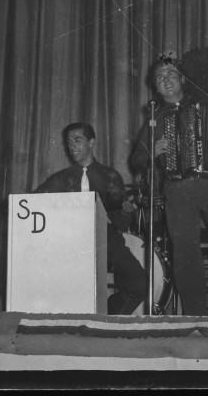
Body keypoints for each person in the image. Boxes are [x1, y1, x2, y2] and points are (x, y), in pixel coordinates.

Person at [129, 58, 208, 317]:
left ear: (183, 79)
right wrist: (152, 151)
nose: (166, 78)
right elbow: (136, 160)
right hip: (178, 190)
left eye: (171, 73)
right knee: (185, 253)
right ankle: (193, 315)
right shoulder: (155, 118)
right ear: (156, 87)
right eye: (160, 76)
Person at [34, 122, 147, 315]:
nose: (72, 146)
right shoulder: (60, 179)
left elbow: (120, 223)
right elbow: (34, 202)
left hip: (106, 237)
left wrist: (126, 212)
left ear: (92, 142)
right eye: (69, 142)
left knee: (140, 283)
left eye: (78, 140)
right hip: (72, 240)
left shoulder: (110, 176)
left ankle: (110, 316)